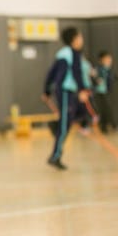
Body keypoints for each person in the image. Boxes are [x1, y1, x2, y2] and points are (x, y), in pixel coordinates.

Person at [42, 27, 90, 170]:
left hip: (67, 92)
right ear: (74, 39)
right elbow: (75, 73)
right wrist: (82, 90)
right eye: (80, 37)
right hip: (64, 92)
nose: (82, 40)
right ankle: (55, 155)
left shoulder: (66, 53)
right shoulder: (71, 54)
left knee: (68, 121)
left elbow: (51, 72)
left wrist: (46, 90)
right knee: (64, 125)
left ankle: (55, 128)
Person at [94, 50, 116, 133]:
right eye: (107, 59)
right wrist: (96, 79)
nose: (109, 60)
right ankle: (108, 125)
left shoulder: (108, 69)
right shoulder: (99, 69)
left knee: (106, 109)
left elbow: (112, 77)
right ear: (101, 60)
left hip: (106, 91)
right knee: (104, 109)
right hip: (99, 92)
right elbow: (94, 77)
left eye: (109, 59)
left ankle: (107, 125)